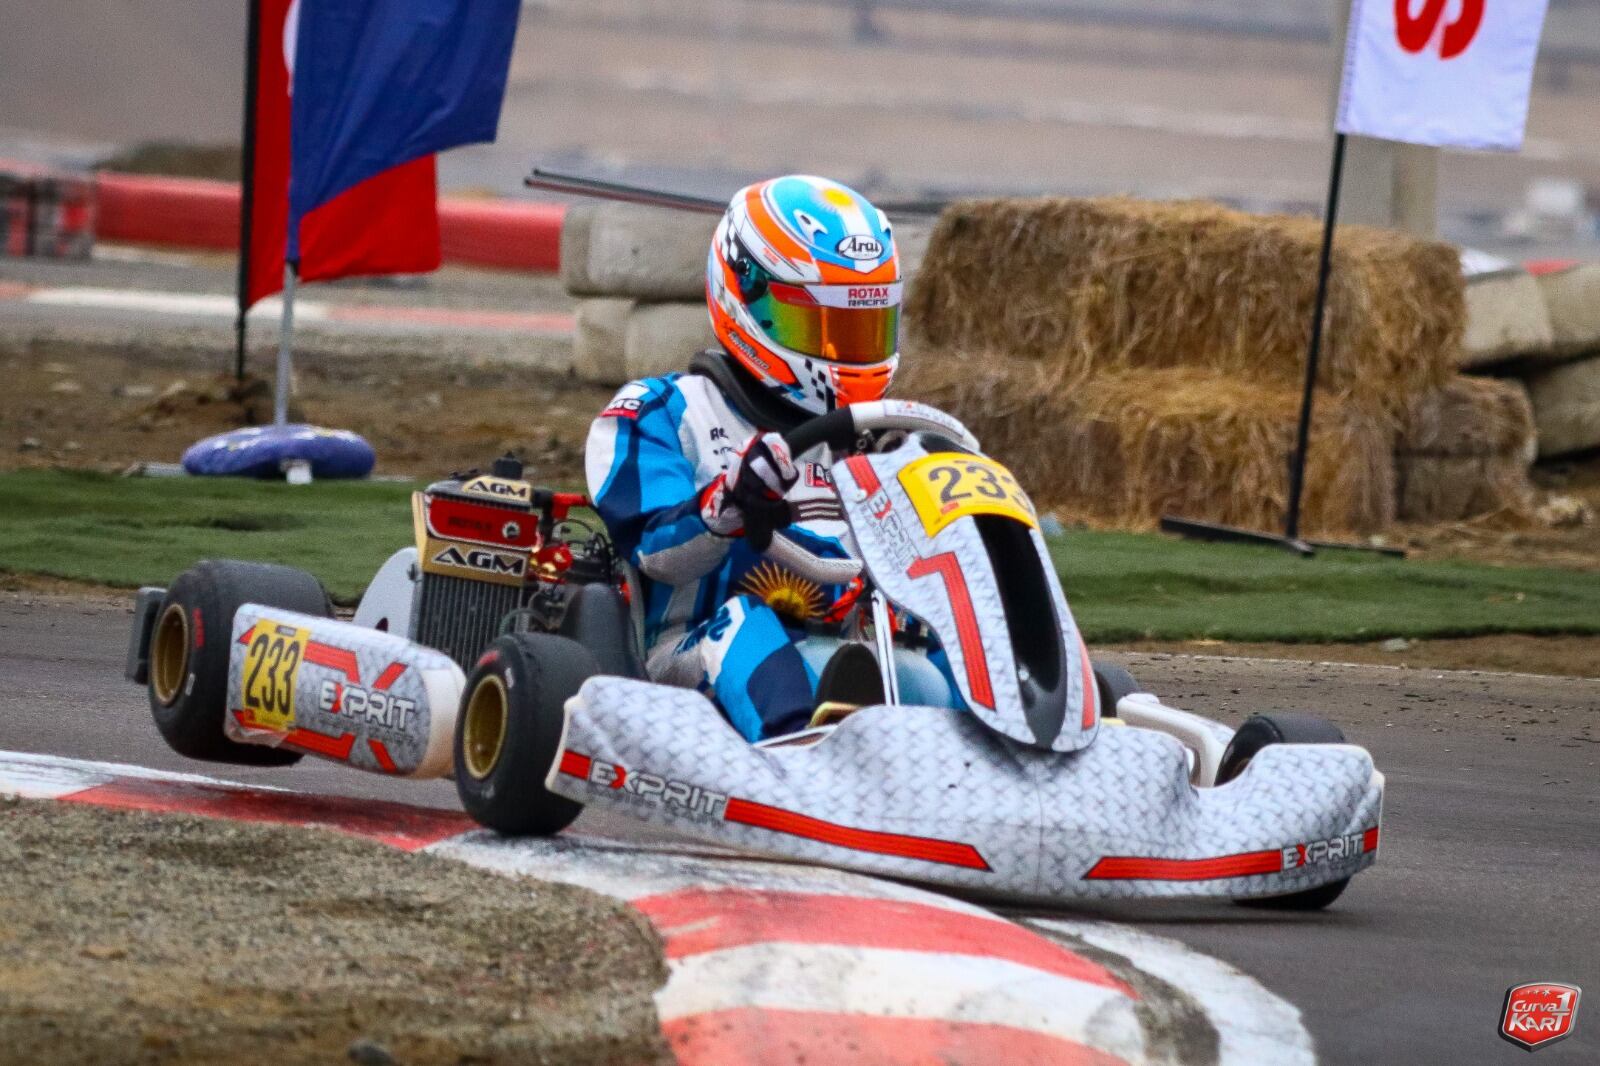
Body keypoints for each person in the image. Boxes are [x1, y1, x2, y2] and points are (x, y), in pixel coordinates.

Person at [585, 174, 903, 742]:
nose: (845, 353)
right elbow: (655, 552)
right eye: (820, 326)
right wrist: (726, 506)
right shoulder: (657, 412)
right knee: (743, 628)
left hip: (852, 652)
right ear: (746, 296)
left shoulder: (881, 439)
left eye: (861, 328)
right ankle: (802, 759)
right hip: (684, 656)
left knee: (943, 649)